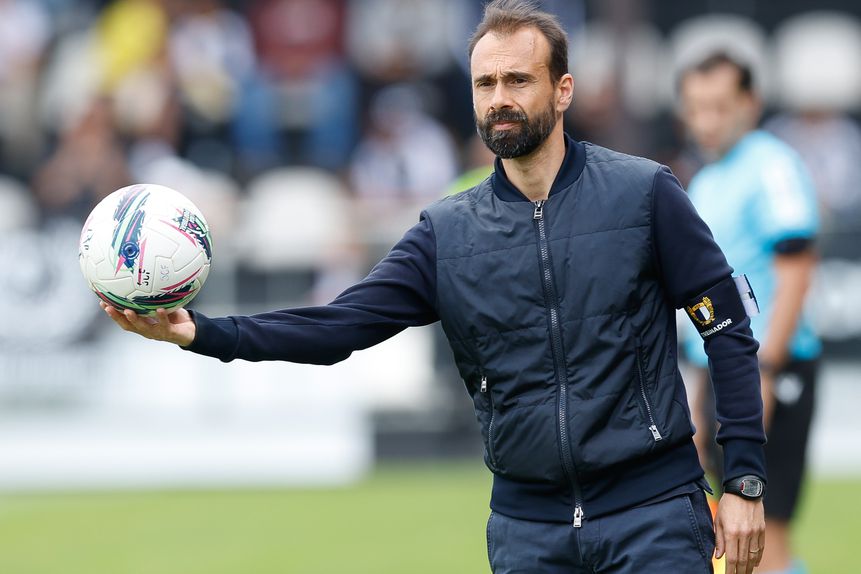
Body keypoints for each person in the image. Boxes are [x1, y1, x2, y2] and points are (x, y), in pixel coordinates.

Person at [103, 2, 766, 572]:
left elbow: (726, 330)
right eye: (484, 83)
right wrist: (203, 332)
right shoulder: (447, 233)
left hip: (652, 514)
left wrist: (740, 477)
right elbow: (340, 327)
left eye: (517, 79)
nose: (498, 97)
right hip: (527, 530)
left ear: (562, 91)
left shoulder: (642, 194)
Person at [678, 52, 820, 574]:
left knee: (766, 532)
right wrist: (696, 395)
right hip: (721, 376)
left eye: (720, 106)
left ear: (751, 104)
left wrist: (766, 369)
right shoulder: (705, 182)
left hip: (767, 372)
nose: (707, 121)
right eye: (696, 108)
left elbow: (797, 267)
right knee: (732, 542)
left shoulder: (772, 165)